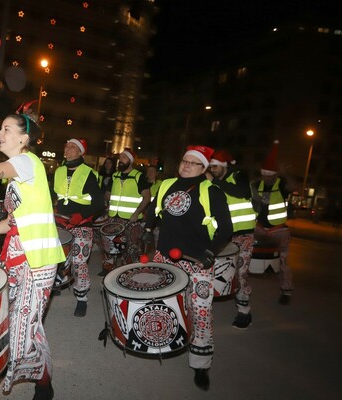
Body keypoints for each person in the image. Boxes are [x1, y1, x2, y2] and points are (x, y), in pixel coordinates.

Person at [0, 97, 65, 400]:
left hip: (38, 261)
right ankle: (43, 378)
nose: (0, 134)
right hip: (18, 255)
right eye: (0, 129)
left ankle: (42, 381)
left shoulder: (26, 162)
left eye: (7, 129)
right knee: (22, 320)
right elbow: (12, 223)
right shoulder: (19, 173)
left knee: (22, 326)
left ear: (24, 138)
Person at [146, 145, 233, 391]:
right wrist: (146, 227)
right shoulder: (166, 184)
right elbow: (154, 211)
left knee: (200, 312)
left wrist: (210, 252)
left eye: (193, 162)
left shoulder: (211, 191)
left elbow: (226, 228)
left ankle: (201, 364)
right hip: (166, 257)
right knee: (163, 304)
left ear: (203, 167)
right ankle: (161, 343)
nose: (186, 165)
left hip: (197, 260)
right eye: (184, 160)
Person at [52, 138, 104, 317]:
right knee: (56, 258)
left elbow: (99, 204)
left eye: (73, 147)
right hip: (60, 222)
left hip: (82, 224)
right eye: (66, 146)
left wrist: (81, 216)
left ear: (81, 152)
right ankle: (58, 282)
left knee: (79, 261)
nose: (68, 149)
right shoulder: (58, 171)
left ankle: (82, 298)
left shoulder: (89, 173)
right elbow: (52, 195)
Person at [207, 150, 256, 329]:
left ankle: (244, 312)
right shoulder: (211, 182)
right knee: (213, 271)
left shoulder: (238, 175)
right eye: (211, 166)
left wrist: (216, 182)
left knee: (241, 273)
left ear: (224, 166)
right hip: (221, 235)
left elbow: (242, 192)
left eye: (215, 166)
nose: (212, 169)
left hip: (243, 234)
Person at [251, 140, 294, 305]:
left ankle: (286, 290)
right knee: (245, 253)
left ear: (276, 174)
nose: (267, 178)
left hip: (279, 229)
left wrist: (285, 174)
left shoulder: (281, 185)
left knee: (283, 260)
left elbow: (293, 186)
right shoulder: (256, 184)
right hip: (259, 228)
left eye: (270, 175)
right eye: (265, 174)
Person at [101, 148, 151, 275]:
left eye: (124, 157)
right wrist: (107, 203)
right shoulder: (115, 175)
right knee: (110, 246)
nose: (120, 160)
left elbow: (147, 197)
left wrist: (136, 213)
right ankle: (108, 274)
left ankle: (126, 275)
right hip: (113, 218)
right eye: (120, 158)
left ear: (131, 160)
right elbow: (107, 193)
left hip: (131, 221)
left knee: (131, 249)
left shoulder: (138, 177)